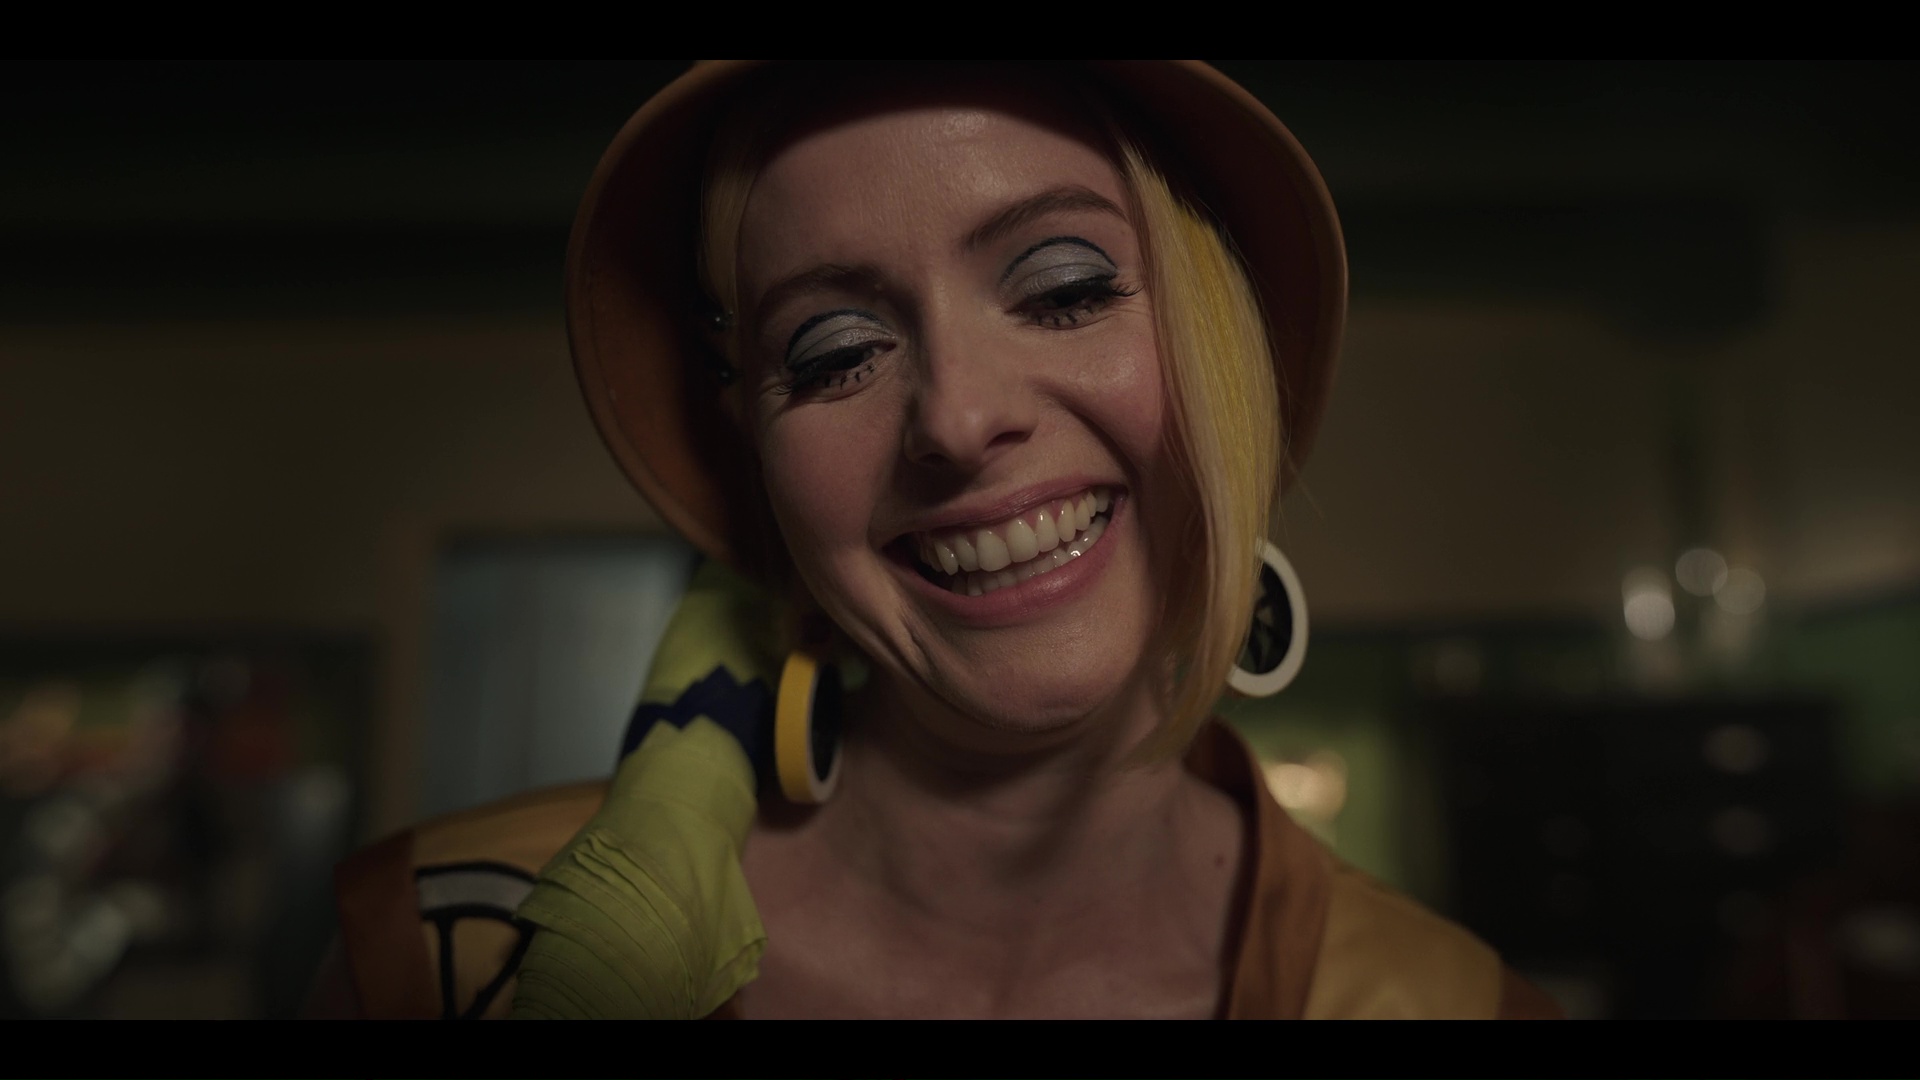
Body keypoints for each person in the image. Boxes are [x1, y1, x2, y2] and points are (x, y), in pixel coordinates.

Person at [309, 61, 1561, 1020]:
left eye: (1065, 288)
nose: (957, 420)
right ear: (755, 454)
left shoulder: (1447, 1004)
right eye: (835, 352)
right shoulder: (437, 954)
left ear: (1220, 344)